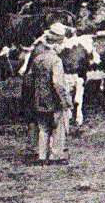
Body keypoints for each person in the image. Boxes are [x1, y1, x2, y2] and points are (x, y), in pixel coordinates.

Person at [23, 24, 71, 164]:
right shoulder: (56, 60)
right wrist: (65, 100)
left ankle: (42, 156)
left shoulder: (38, 58)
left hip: (39, 99)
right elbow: (58, 83)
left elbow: (29, 79)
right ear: (55, 44)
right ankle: (56, 155)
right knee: (57, 127)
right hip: (53, 99)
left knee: (43, 128)